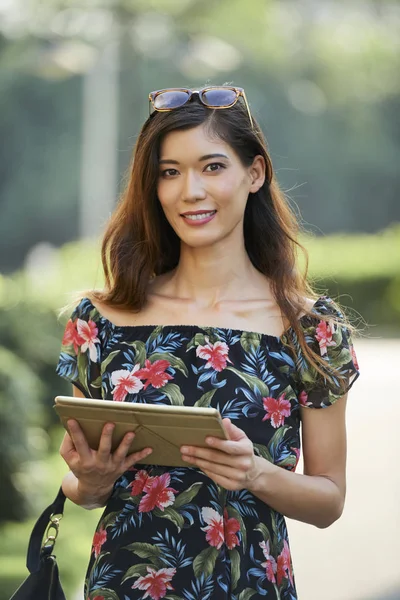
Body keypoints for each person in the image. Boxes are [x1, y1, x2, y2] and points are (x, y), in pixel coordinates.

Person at [56, 86, 360, 600]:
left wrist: (255, 473)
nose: (189, 191)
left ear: (255, 174)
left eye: (212, 167)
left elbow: (329, 501)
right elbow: (82, 488)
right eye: (169, 172)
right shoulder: (100, 319)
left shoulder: (311, 328)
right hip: (125, 585)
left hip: (249, 586)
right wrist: (90, 479)